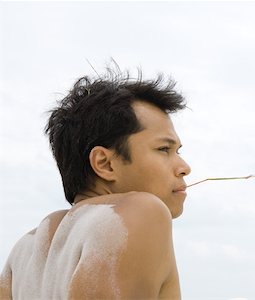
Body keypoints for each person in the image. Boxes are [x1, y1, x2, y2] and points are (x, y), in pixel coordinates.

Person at [0, 69, 191, 299]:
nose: (184, 167)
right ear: (105, 164)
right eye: (163, 149)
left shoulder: (24, 252)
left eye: (178, 151)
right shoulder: (141, 213)